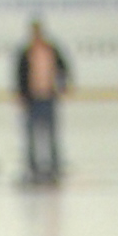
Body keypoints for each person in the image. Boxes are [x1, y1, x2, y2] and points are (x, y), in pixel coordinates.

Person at [14, 17, 71, 185]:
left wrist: (62, 86)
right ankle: (32, 166)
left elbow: (63, 68)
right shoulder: (26, 51)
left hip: (48, 96)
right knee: (31, 134)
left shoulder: (51, 49)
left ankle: (54, 165)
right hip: (32, 99)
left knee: (51, 133)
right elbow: (20, 74)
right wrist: (21, 94)